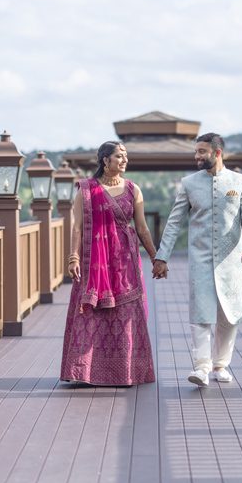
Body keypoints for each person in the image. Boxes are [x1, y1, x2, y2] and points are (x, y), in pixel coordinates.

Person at [153, 133, 242, 387]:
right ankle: (201, 367)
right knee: (201, 314)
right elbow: (174, 221)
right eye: (196, 152)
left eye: (202, 152)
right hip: (200, 259)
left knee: (229, 315)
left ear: (217, 153)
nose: (197, 156)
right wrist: (162, 256)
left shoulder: (240, 182)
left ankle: (220, 364)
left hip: (232, 261)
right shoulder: (189, 183)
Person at [60, 141, 157, 386]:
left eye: (126, 156)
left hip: (125, 261)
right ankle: (84, 372)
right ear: (105, 160)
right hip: (94, 263)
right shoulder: (86, 190)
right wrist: (73, 257)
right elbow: (77, 227)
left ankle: (127, 371)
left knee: (125, 314)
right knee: (92, 313)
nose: (124, 160)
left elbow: (142, 228)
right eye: (119, 156)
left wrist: (157, 258)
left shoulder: (133, 189)